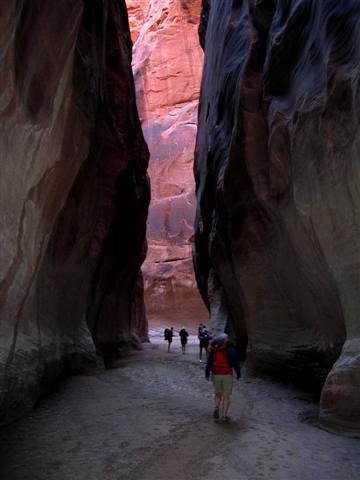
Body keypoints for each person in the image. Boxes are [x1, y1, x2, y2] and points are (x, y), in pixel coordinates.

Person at [205, 333, 241, 421]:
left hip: (216, 374)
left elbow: (209, 363)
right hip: (227, 374)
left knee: (218, 393)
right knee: (226, 396)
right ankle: (224, 416)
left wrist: (207, 374)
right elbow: (235, 363)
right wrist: (238, 374)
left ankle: (216, 407)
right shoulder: (230, 349)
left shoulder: (214, 350)